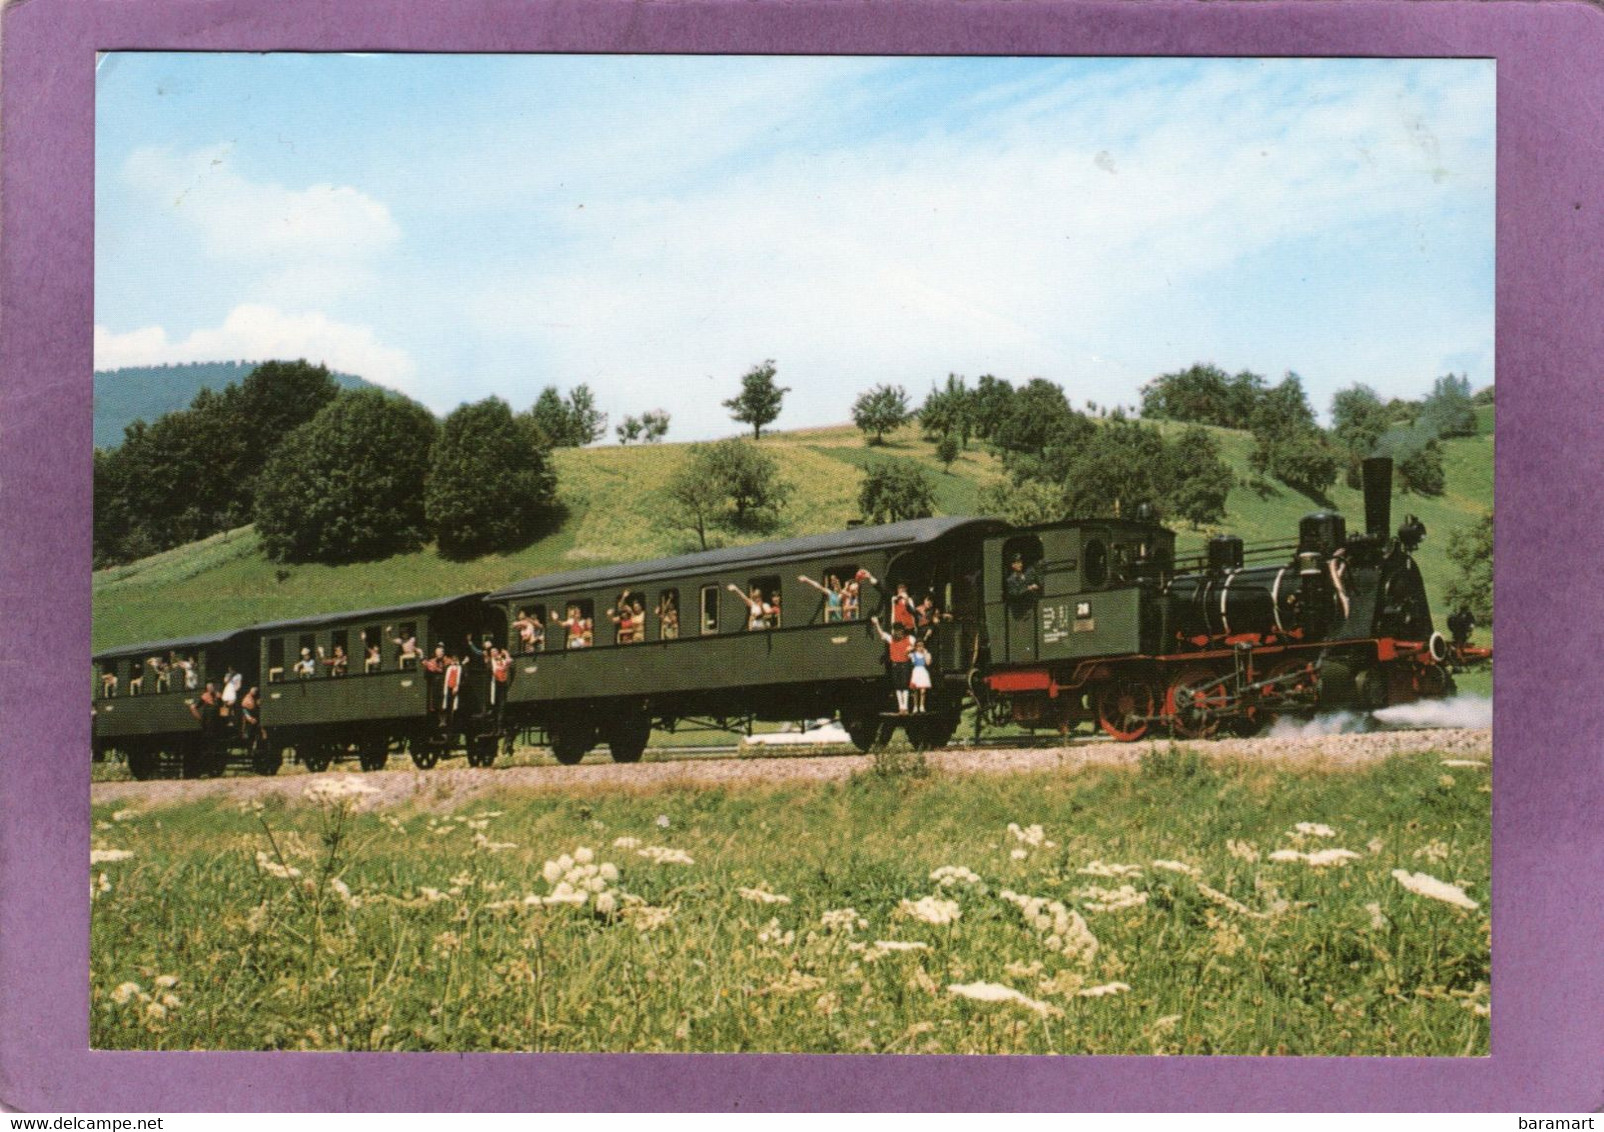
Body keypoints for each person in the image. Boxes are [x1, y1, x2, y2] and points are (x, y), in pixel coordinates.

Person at [869, 615, 913, 714]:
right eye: (896, 630)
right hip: (895, 664)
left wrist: (912, 649)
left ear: (903, 631)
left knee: (905, 685)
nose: (898, 632)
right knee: (897, 686)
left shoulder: (909, 639)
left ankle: (905, 707)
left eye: (900, 630)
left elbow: (917, 645)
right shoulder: (891, 639)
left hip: (905, 664)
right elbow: (882, 634)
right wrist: (876, 624)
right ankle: (901, 707)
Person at [908, 638, 933, 714]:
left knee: (923, 691)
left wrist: (925, 654)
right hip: (916, 672)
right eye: (918, 646)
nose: (920, 647)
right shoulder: (913, 655)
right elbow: (905, 655)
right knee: (915, 691)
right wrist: (910, 649)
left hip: (923, 672)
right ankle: (915, 706)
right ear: (916, 647)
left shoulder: (927, 654)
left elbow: (928, 663)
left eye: (922, 646)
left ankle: (922, 706)